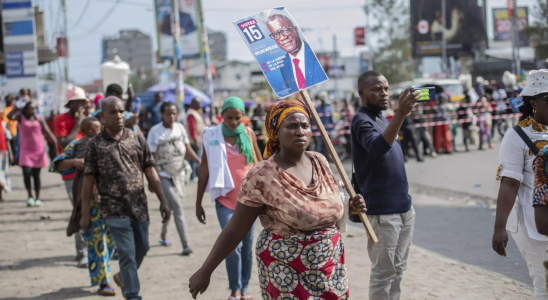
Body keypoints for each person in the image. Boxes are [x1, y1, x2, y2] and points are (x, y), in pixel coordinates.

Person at [189, 99, 367, 300]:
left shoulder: (320, 161)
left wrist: (348, 207)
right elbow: (235, 229)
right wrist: (206, 270)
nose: (300, 131)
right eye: (291, 126)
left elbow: (324, 204)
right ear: (276, 132)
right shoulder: (262, 175)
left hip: (330, 267)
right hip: (287, 271)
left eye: (304, 125)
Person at [80, 96, 171, 300]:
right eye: (113, 112)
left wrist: (163, 200)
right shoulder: (95, 145)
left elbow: (150, 170)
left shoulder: (136, 138)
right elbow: (88, 181)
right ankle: (132, 294)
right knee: (127, 252)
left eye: (121, 111)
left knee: (143, 247)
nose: (119, 116)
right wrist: (85, 212)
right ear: (102, 117)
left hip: (139, 206)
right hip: (113, 209)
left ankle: (122, 276)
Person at [351, 70, 420, 300]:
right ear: (362, 93)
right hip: (382, 213)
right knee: (383, 275)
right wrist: (401, 113)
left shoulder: (380, 118)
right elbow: (377, 148)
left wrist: (397, 115)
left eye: (386, 88)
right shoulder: (361, 120)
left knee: (398, 271)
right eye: (376, 89)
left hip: (403, 209)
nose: (384, 93)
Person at [194, 97, 262, 300]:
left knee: (247, 247)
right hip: (224, 199)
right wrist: (198, 203)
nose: (233, 122)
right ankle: (235, 290)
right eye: (229, 117)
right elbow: (204, 168)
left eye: (237, 118)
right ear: (221, 115)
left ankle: (245, 290)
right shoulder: (211, 136)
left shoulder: (248, 134)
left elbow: (259, 163)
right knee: (233, 246)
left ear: (243, 117)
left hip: (249, 202)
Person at [493, 70, 548, 300]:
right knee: (543, 284)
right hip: (535, 219)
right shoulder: (517, 136)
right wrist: (499, 227)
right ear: (534, 101)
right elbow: (509, 184)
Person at [51, 117, 117, 296]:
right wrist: (75, 162)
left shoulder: (113, 141)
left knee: (112, 240)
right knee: (98, 241)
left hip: (114, 200)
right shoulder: (77, 144)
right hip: (91, 199)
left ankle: (104, 271)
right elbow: (56, 164)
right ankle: (104, 282)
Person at [147, 101, 201, 254]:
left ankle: (163, 235)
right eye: (168, 113)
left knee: (170, 206)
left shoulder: (179, 128)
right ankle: (186, 245)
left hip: (180, 172)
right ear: (162, 115)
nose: (171, 116)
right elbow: (150, 157)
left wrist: (200, 162)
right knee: (177, 206)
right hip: (163, 173)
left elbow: (187, 150)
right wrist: (152, 180)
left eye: (174, 113)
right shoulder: (155, 132)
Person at [53, 86, 89, 266]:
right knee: (79, 209)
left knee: (92, 210)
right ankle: (81, 252)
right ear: (70, 103)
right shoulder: (61, 119)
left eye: (83, 102)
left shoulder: (88, 119)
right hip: (71, 174)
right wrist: (78, 123)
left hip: (90, 173)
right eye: (78, 102)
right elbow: (64, 142)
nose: (81, 105)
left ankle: (93, 248)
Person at [7, 100, 56, 207]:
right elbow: (9, 116)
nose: (33, 111)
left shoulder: (39, 118)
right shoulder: (21, 117)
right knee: (26, 173)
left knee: (36, 175)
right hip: (25, 150)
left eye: (34, 109)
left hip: (38, 149)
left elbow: (48, 132)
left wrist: (57, 143)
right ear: (25, 109)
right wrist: (16, 108)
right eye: (30, 109)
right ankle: (30, 196)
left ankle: (38, 197)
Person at [266, 14, 327, 93]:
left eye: (285, 30)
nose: (282, 37)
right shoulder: (282, 64)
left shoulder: (315, 56)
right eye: (275, 35)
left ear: (296, 30)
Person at [186, 98, 205, 181]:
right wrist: (195, 140)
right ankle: (192, 175)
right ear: (193, 103)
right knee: (194, 158)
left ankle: (195, 174)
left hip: (198, 139)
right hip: (195, 140)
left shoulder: (195, 112)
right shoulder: (191, 113)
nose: (200, 104)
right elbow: (192, 128)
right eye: (198, 103)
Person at [2, 95, 18, 163]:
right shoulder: (4, 110)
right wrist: (9, 131)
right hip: (10, 131)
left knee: (15, 147)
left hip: (16, 130)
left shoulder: (14, 108)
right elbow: (6, 122)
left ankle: (14, 161)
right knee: (11, 147)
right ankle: (12, 161)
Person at [0, 118, 13, 202]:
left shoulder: (3, 124)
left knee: (2, 174)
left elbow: (7, 140)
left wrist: (11, 153)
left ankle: (0, 195)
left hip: (2, 154)